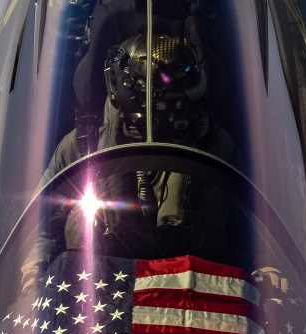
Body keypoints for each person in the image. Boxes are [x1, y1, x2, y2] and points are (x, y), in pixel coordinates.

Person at [21, 33, 242, 286]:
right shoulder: (83, 147)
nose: (177, 107)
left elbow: (254, 227)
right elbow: (40, 227)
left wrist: (269, 269)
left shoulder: (214, 145)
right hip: (97, 295)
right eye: (165, 92)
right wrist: (33, 274)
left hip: (192, 296)